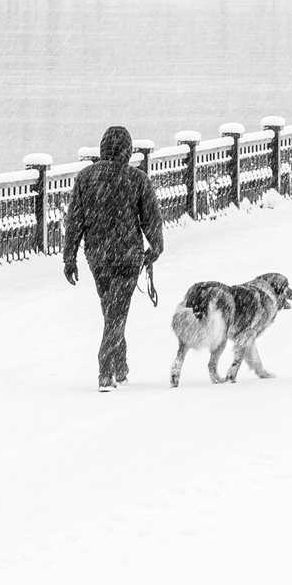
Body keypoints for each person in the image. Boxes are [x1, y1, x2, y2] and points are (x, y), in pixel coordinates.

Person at [63, 125, 164, 391]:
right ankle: (105, 369)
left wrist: (69, 257)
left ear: (102, 149)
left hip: (98, 258)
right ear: (128, 151)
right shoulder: (137, 178)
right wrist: (156, 247)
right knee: (116, 313)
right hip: (128, 257)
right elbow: (151, 219)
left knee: (113, 311)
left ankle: (120, 366)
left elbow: (74, 221)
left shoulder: (86, 177)